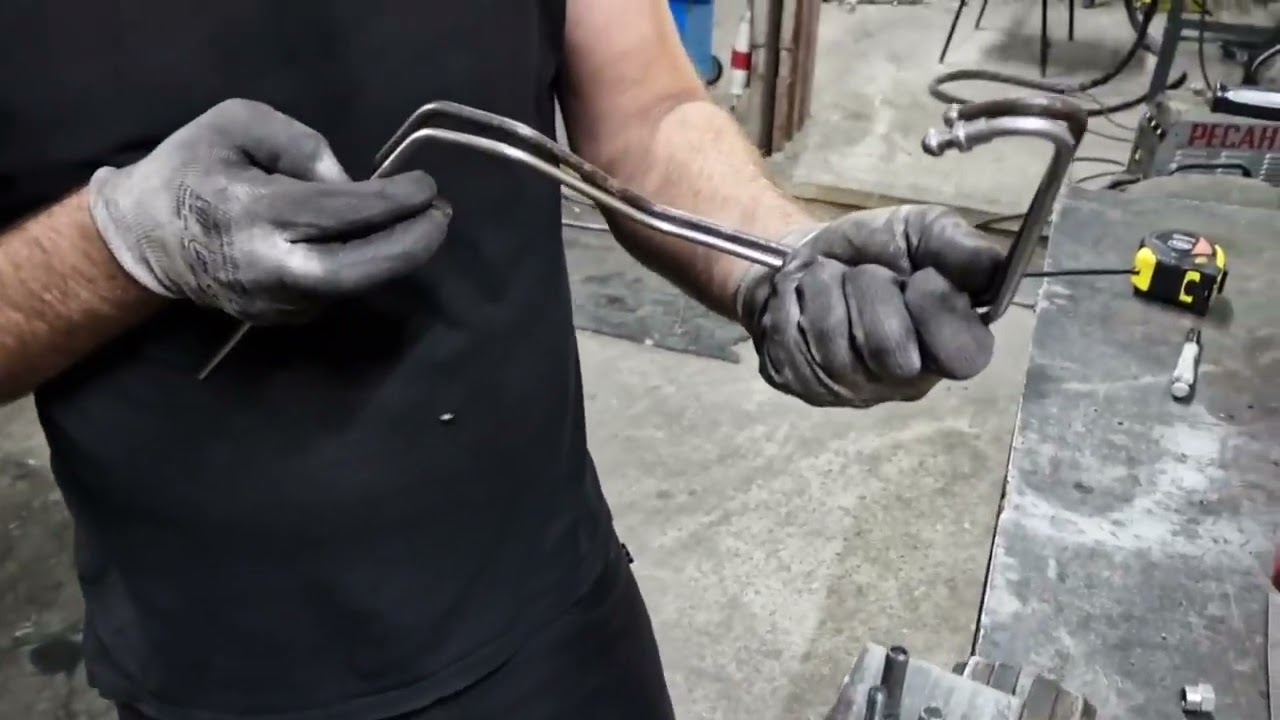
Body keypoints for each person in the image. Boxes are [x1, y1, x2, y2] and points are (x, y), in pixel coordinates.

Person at [0, 1, 1004, 719]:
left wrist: (779, 259)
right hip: (209, 667)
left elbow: (646, 108)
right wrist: (118, 244)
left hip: (548, 618)